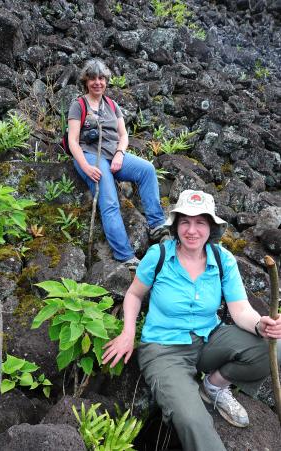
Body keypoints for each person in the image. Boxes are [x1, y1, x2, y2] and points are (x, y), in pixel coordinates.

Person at [102, 189, 281, 451]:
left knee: (274, 347)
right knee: (194, 420)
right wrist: (128, 333)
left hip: (209, 340)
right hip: (164, 350)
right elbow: (134, 295)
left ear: (211, 227)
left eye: (200, 222)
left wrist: (259, 325)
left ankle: (213, 386)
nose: (192, 230)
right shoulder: (159, 256)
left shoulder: (223, 259)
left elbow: (241, 310)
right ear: (175, 226)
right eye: (185, 221)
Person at [68, 58, 167, 268]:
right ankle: (125, 256)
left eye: (101, 78)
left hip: (114, 154)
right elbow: (72, 141)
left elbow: (123, 135)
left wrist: (121, 153)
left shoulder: (112, 105)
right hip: (90, 155)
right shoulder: (78, 105)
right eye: (93, 78)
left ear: (106, 80)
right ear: (86, 81)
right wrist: (86, 167)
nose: (97, 82)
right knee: (110, 200)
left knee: (147, 170)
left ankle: (157, 225)